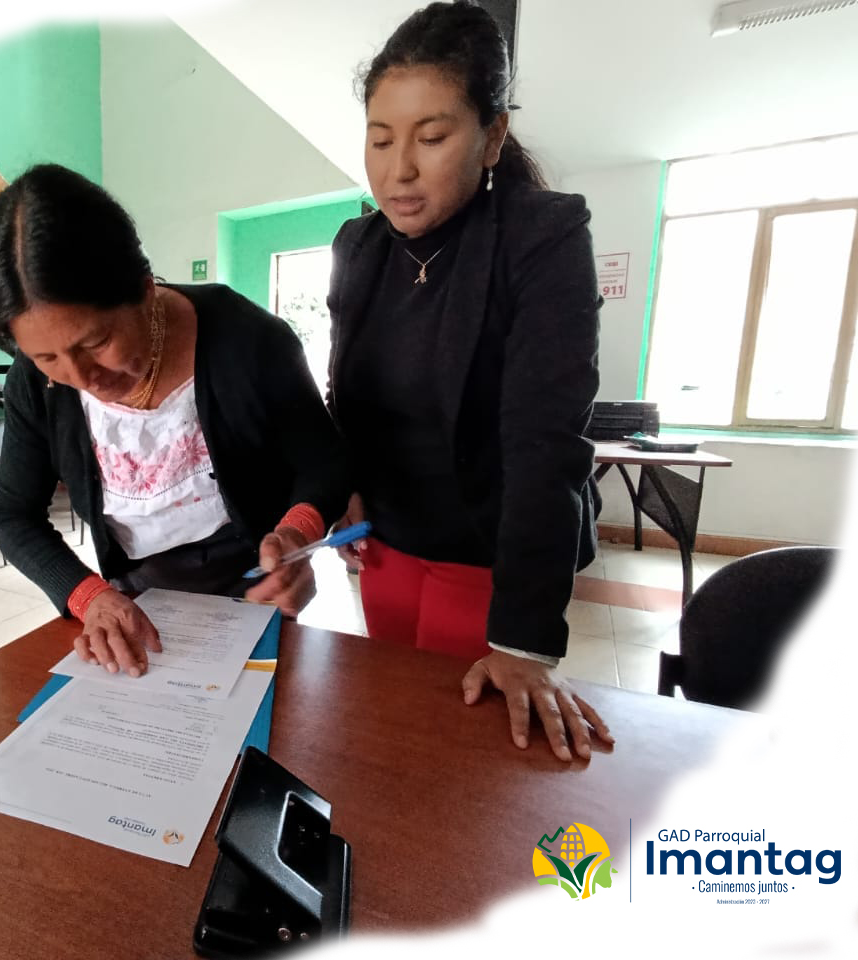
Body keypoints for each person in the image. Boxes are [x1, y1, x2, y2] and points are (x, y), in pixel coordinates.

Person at [326, 1, 613, 761]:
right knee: (392, 724)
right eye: (380, 139)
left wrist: (522, 641)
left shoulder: (541, 236)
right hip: (387, 541)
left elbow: (547, 441)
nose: (399, 168)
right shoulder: (359, 246)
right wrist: (343, 484)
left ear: (492, 138)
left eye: (432, 137)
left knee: (468, 751)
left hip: (491, 547)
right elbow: (346, 394)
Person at [0, 164, 349, 678]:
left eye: (96, 343)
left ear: (145, 290)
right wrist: (90, 597)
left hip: (255, 584)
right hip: (133, 598)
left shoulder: (249, 341)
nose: (80, 377)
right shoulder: (34, 383)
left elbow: (324, 463)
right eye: (47, 357)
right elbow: (16, 517)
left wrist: (296, 533)